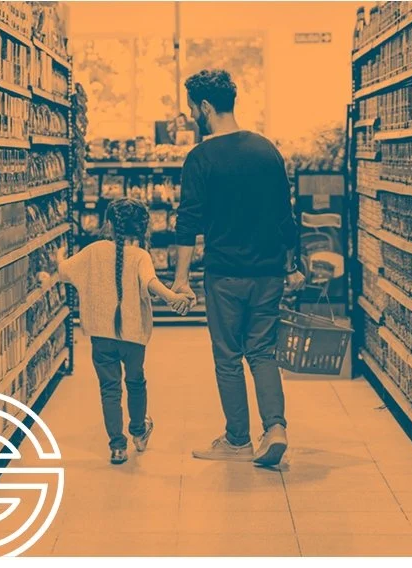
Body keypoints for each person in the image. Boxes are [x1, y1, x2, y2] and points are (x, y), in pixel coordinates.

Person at [173, 69, 306, 467]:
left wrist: (180, 278)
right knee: (262, 351)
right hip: (269, 274)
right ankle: (276, 428)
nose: (192, 115)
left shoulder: (200, 158)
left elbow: (188, 221)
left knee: (228, 356)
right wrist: (293, 263)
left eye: (192, 108)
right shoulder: (267, 149)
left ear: (206, 107)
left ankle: (236, 440)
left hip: (225, 275)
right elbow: (286, 214)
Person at [55, 198, 191, 464]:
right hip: (133, 337)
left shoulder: (93, 251)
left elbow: (64, 271)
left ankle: (118, 446)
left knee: (109, 389)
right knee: (136, 382)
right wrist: (171, 297)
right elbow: (150, 283)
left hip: (101, 336)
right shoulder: (141, 256)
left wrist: (59, 256)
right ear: (142, 228)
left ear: (108, 224)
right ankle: (139, 432)